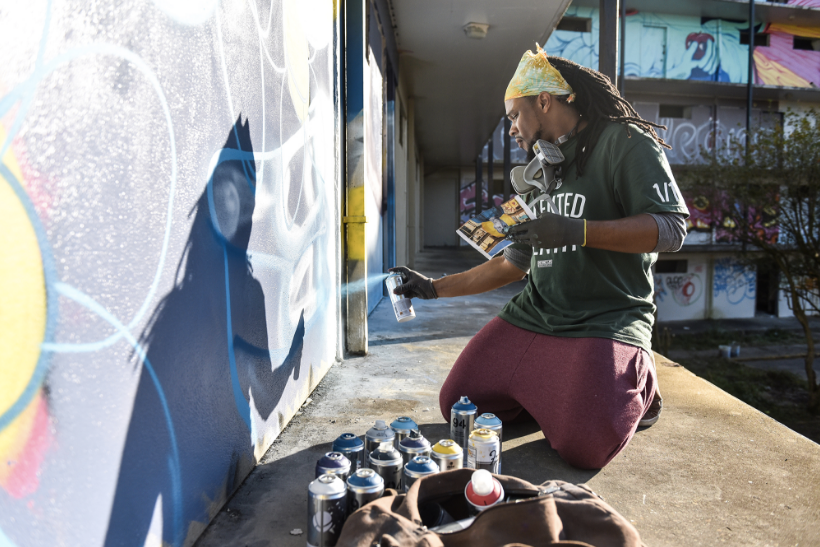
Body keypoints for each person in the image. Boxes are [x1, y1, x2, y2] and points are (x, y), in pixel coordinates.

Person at [389, 46, 689, 469]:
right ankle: (560, 394)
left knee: (584, 448)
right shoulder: (540, 170)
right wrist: (434, 288)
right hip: (537, 314)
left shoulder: (624, 141)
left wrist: (578, 231)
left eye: (515, 114)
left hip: (607, 316)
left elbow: (672, 229)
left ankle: (640, 383)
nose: (511, 127)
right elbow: (513, 263)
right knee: (460, 406)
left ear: (544, 101)